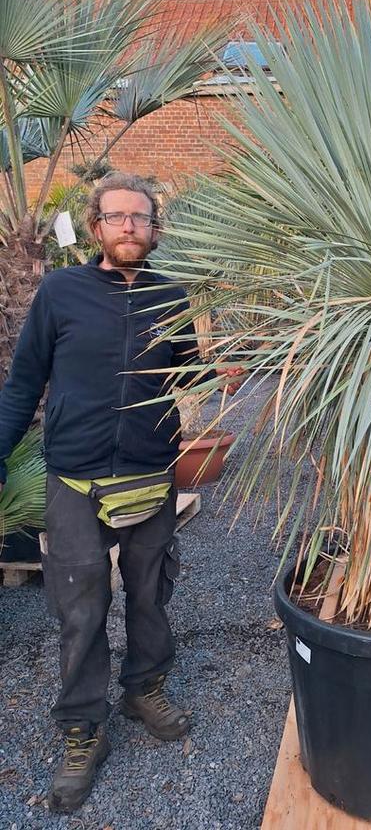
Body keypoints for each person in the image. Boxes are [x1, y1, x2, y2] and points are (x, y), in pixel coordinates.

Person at [0, 172, 219, 813]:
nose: (129, 226)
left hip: (152, 472)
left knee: (151, 593)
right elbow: (22, 384)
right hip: (74, 478)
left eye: (140, 217)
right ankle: (82, 725)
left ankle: (143, 687)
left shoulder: (169, 293)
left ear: (155, 229)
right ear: (96, 227)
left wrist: (229, 363)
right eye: (117, 216)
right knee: (80, 605)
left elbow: (185, 368)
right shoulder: (61, 291)